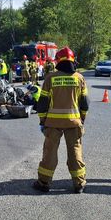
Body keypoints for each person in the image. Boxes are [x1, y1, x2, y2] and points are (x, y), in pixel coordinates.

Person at [34, 46, 89, 194]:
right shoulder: (79, 78)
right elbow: (84, 103)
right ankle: (79, 183)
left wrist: (42, 120)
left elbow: (43, 103)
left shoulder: (50, 78)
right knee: (75, 151)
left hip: (52, 123)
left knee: (49, 152)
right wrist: (82, 119)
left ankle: (44, 182)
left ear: (58, 61)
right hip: (74, 122)